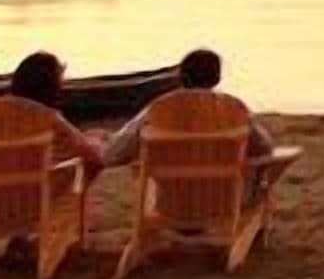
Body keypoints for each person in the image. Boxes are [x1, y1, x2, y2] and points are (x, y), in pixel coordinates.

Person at [99, 46, 277, 187]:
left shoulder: (158, 111)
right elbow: (265, 148)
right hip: (224, 203)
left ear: (180, 77)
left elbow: (112, 155)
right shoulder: (234, 111)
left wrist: (104, 140)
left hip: (169, 204)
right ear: (217, 78)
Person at [9, 50, 106, 174]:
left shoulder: (0, 117)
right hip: (43, 189)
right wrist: (97, 142)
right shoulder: (49, 119)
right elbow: (94, 158)